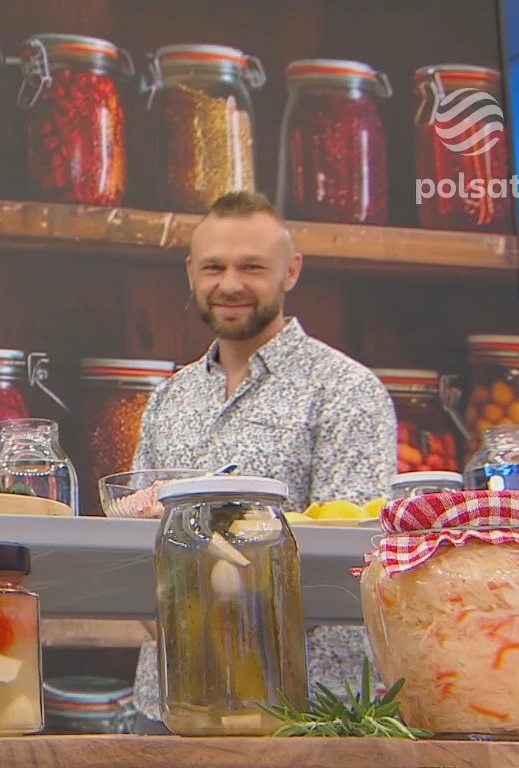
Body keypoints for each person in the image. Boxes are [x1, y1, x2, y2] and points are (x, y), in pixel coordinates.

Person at [127, 190, 397, 734]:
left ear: (290, 271)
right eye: (214, 267)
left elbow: (352, 554)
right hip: (169, 705)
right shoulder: (169, 397)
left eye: (251, 267)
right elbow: (133, 541)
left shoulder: (347, 390)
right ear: (191, 272)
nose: (230, 284)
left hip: (308, 711)